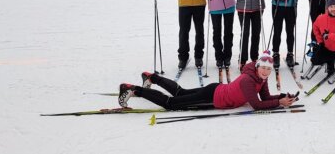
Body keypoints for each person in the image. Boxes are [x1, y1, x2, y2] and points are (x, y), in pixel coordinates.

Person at [118, 52, 298, 110]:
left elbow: (265, 97)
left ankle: (152, 77)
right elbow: (257, 105)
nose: (266, 71)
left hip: (215, 89)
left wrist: (282, 96)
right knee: (171, 103)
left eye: (268, 68)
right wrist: (279, 103)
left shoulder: (260, 77)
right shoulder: (248, 80)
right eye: (263, 67)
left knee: (180, 92)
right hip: (214, 97)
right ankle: (133, 90)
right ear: (257, 66)